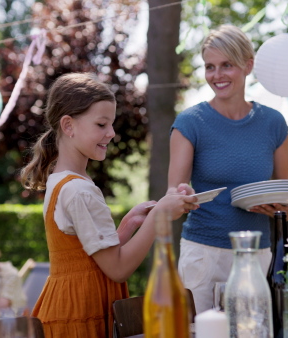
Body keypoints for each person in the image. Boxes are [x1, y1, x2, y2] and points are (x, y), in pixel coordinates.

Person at [20, 73, 199, 337]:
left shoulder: (62, 182)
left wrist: (127, 227)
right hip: (80, 316)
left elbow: (88, 254)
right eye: (102, 124)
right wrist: (158, 217)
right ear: (68, 126)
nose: (111, 133)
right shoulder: (79, 190)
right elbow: (118, 269)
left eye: (111, 124)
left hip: (67, 308)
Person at [168, 24, 288, 313]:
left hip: (256, 252)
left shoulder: (274, 123)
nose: (217, 75)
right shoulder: (190, 123)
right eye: (210, 67)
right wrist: (182, 196)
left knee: (254, 332)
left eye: (227, 65)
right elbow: (172, 197)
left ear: (247, 65)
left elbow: (285, 198)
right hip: (204, 255)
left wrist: (285, 209)